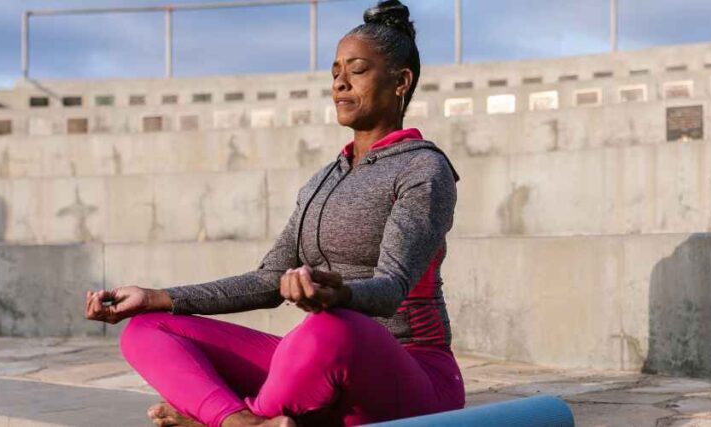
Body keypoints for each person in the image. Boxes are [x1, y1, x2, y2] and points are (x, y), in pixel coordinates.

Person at [85, 1, 463, 425]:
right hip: (320, 356)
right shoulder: (324, 178)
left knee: (327, 328)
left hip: (410, 371)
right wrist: (157, 297)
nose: (339, 84)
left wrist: (337, 295)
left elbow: (393, 286)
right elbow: (269, 279)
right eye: (335, 72)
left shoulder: (423, 168)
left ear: (400, 81)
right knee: (148, 329)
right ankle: (240, 421)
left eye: (356, 70)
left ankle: (222, 415)